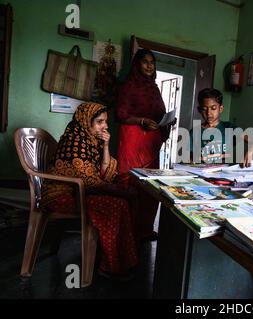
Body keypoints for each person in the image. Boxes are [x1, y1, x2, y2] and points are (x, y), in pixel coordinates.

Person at [42, 102, 138, 278]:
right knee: (114, 205)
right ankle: (110, 267)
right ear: (86, 121)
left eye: (105, 121)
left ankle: (124, 261)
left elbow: (104, 173)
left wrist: (107, 146)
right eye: (100, 122)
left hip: (80, 192)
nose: (105, 126)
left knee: (123, 203)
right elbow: (88, 180)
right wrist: (115, 189)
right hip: (62, 195)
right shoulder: (74, 142)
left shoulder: (91, 140)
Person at [115, 48, 175, 240]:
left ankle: (144, 230)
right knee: (130, 181)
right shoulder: (128, 85)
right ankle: (125, 232)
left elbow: (158, 114)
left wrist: (167, 121)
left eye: (152, 62)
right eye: (145, 62)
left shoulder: (153, 87)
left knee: (150, 185)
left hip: (150, 142)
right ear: (137, 64)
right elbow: (120, 115)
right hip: (133, 139)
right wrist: (141, 121)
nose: (149, 66)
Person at [189, 88, 253, 166]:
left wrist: (250, 152)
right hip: (200, 172)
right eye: (204, 109)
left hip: (222, 172)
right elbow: (190, 157)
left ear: (220, 109)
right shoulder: (195, 131)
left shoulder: (229, 128)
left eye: (213, 108)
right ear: (199, 110)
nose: (208, 113)